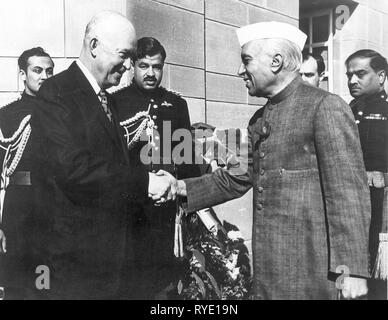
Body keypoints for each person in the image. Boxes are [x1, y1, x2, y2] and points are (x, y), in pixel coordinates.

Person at [160, 21, 371, 300]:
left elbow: (348, 194)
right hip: (270, 275)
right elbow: (236, 177)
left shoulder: (325, 106)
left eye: (246, 60)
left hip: (314, 274)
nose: (239, 70)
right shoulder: (259, 119)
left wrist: (351, 271)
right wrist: (179, 187)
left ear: (276, 61)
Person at [30, 11, 172, 299]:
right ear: (94, 46)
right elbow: (74, 169)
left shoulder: (105, 98)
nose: (129, 65)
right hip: (75, 266)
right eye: (124, 54)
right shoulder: (56, 92)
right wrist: (144, 182)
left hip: (111, 262)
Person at [113, 37, 199, 299]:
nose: (151, 73)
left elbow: (186, 160)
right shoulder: (115, 102)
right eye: (144, 66)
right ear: (131, 66)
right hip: (130, 207)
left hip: (165, 209)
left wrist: (189, 202)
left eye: (157, 66)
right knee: (130, 280)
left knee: (165, 282)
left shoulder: (176, 104)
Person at [0, 47, 54, 299]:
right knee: (19, 286)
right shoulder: (7, 116)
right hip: (20, 211)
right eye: (37, 70)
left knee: (51, 284)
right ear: (23, 74)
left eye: (49, 71)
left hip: (55, 210)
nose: (44, 76)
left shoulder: (64, 114)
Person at [346, 49, 388, 300]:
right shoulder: (348, 109)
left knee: (379, 274)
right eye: (349, 74)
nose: (352, 80)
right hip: (354, 201)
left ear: (381, 76)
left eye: (360, 74)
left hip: (382, 203)